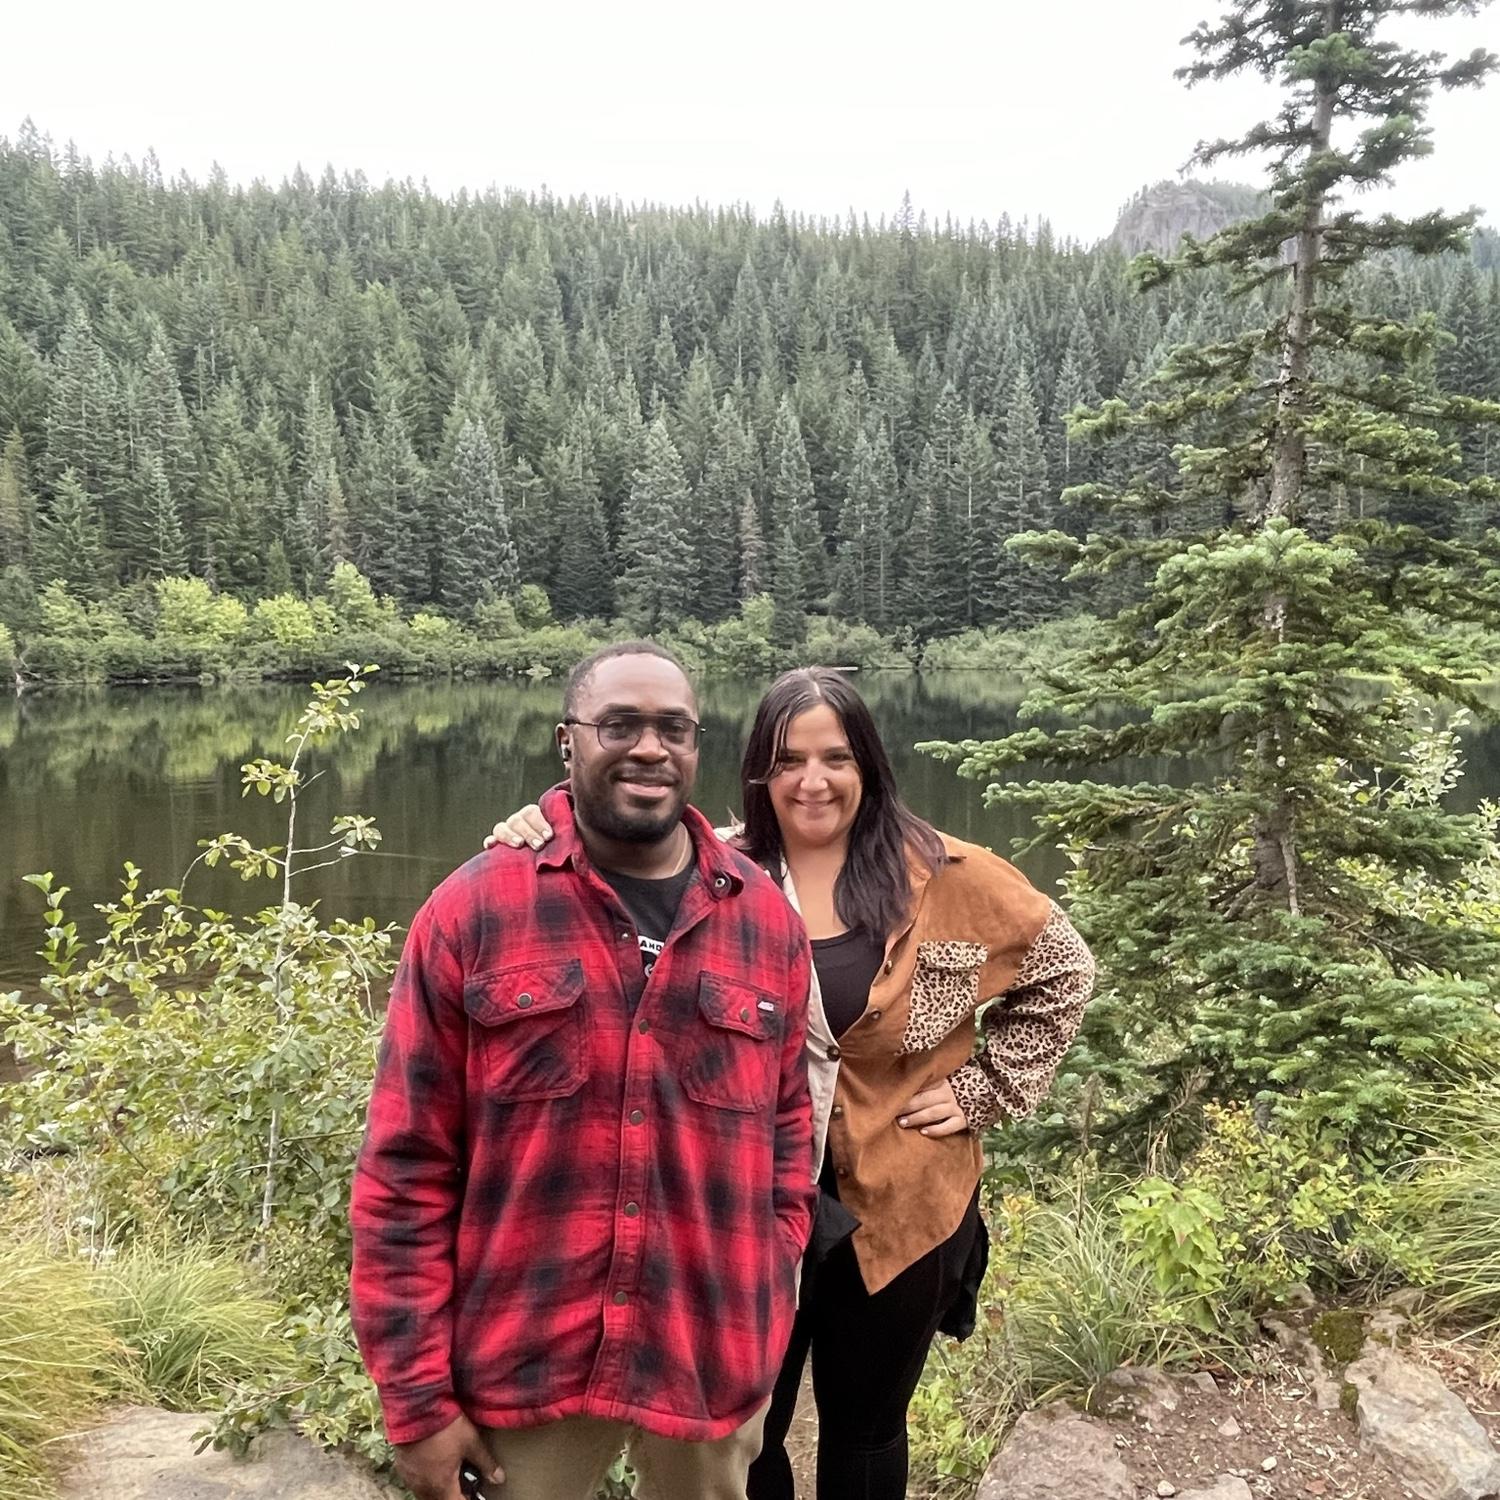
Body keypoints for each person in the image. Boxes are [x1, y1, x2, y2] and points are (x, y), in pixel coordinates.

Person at [489, 666, 1096, 1500]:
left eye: (836, 758)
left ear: (868, 765)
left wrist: (986, 1088)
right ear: (758, 773)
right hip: (741, 1206)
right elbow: (599, 879)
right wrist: (539, 822)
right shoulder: (711, 872)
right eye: (787, 761)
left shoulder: (949, 875)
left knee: (868, 1427)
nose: (813, 781)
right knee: (751, 1427)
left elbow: (1064, 970)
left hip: (905, 1197)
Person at [352, 641, 817, 1500]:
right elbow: (405, 1169)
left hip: (707, 1348)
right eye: (620, 725)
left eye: (673, 729)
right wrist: (415, 1400)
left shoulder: (765, 923)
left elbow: (788, 1130)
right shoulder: (474, 910)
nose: (649, 748)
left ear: (696, 745)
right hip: (527, 1360)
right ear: (567, 741)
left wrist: (772, 1261)